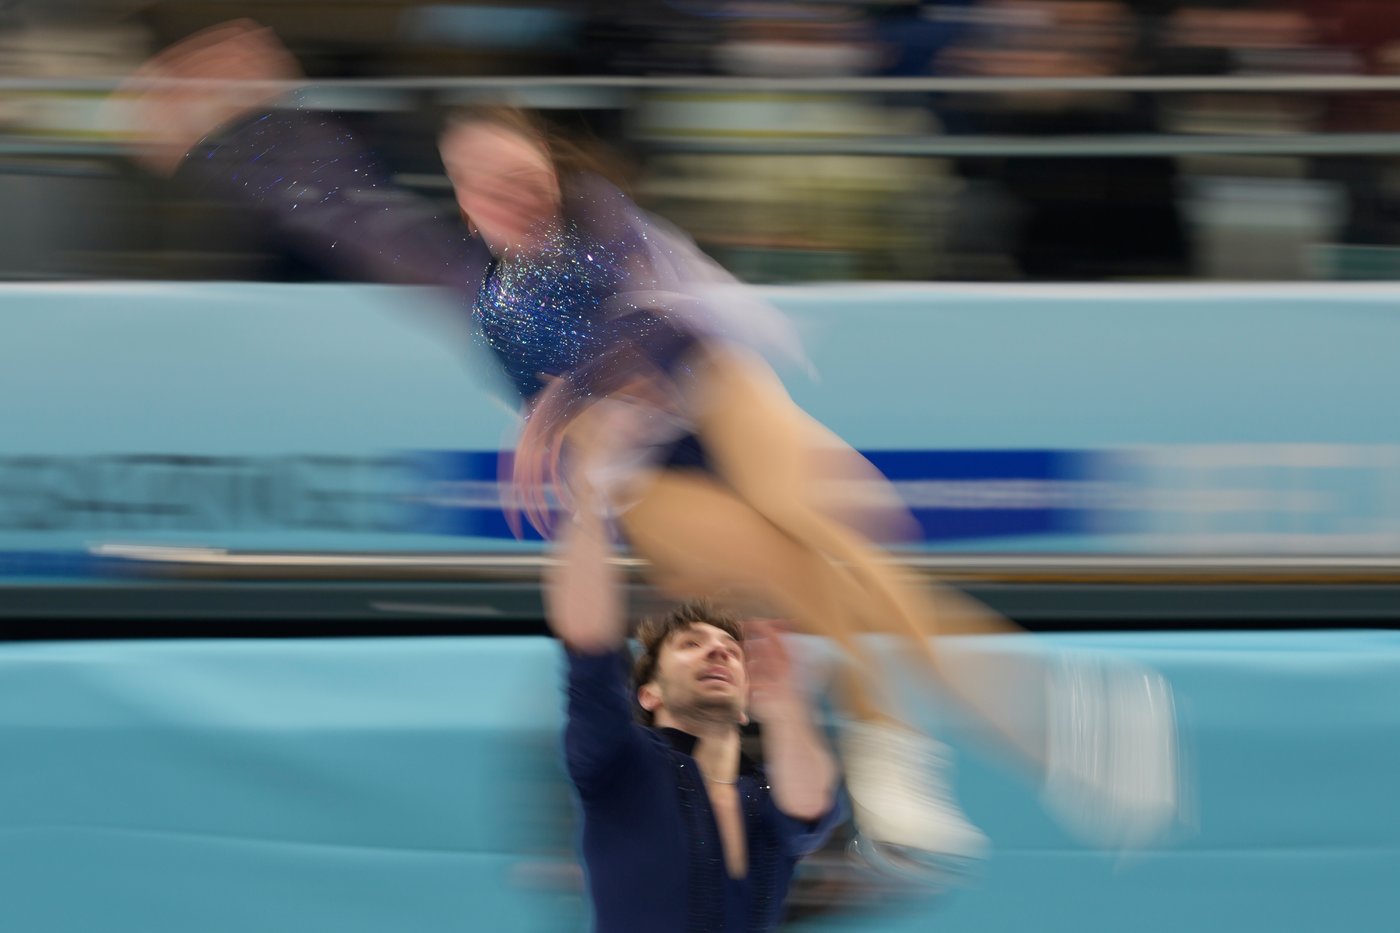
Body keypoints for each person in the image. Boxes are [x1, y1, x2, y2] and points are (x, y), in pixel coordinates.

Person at [117, 19, 1181, 871]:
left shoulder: (605, 224)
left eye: (512, 170)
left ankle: (1033, 728)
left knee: (840, 537)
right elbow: (342, 212)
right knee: (811, 590)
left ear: (548, 166)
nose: (495, 194)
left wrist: (574, 392)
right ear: (463, 200)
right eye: (471, 183)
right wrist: (241, 125)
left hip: (712, 394)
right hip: (647, 471)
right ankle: (907, 761)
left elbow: (657, 338)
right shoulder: (478, 290)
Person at [545, 466, 843, 931]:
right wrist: (590, 502)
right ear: (649, 693)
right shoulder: (621, 764)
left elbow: (809, 805)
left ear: (746, 702)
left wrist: (786, 704)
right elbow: (588, 643)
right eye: (690, 644)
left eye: (730, 649)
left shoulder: (764, 794)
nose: (717, 650)